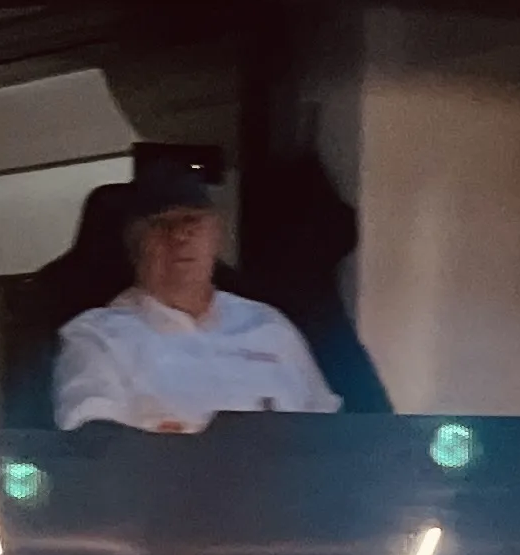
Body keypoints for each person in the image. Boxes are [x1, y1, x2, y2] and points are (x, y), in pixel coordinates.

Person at [51, 160, 341, 432]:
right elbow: (94, 439)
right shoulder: (97, 338)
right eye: (161, 226)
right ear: (135, 242)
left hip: (287, 479)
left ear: (215, 235)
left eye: (192, 223)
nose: (179, 237)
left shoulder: (270, 326)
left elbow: (330, 435)